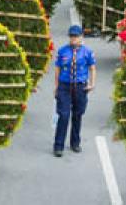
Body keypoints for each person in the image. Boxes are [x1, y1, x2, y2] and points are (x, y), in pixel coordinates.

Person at [53, 25, 96, 157]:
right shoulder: (62, 51)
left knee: (77, 115)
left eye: (76, 36)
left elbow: (92, 68)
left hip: (80, 87)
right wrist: (56, 87)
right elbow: (57, 70)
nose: (73, 39)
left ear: (81, 37)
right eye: (71, 36)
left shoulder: (87, 52)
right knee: (64, 115)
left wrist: (92, 84)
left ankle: (75, 143)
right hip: (65, 86)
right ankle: (58, 146)